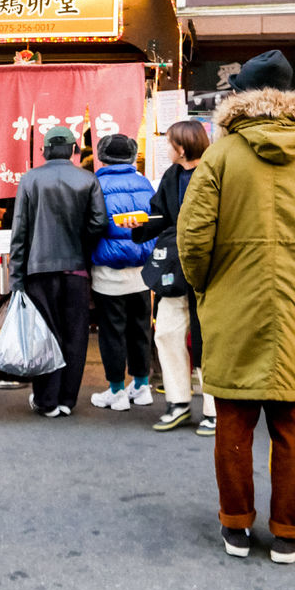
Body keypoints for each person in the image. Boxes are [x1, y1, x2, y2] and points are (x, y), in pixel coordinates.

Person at [178, 49, 295, 564]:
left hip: (233, 311)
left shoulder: (219, 157)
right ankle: (287, 532)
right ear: (292, 99)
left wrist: (208, 287)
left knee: (232, 419)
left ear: (240, 99)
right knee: (293, 426)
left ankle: (235, 527)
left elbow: (192, 238)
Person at [8, 125, 107, 417]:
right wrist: (80, 241)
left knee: (45, 334)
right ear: (74, 150)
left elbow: (20, 232)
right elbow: (99, 222)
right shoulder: (87, 179)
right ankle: (67, 400)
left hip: (39, 270)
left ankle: (46, 400)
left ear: (46, 150)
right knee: (75, 335)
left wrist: (16, 277)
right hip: (76, 268)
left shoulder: (30, 179)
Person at [128, 120, 217, 434]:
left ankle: (214, 409)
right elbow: (160, 215)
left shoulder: (214, 172)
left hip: (209, 272)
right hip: (173, 268)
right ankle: (178, 402)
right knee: (166, 332)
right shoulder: (172, 176)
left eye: (169, 142)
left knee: (209, 342)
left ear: (182, 146)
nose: (166, 148)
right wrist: (139, 227)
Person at [89, 134, 157, 412]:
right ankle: (141, 386)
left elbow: (92, 225)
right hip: (142, 272)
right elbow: (155, 221)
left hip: (108, 273)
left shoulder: (97, 184)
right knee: (141, 329)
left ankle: (116, 390)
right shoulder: (144, 183)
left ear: (102, 157)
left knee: (112, 332)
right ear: (131, 157)